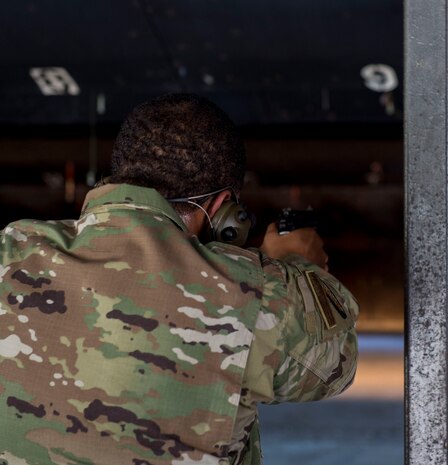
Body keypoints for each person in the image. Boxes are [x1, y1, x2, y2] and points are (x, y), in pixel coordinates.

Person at [0, 94, 359, 465]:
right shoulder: (254, 292)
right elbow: (334, 365)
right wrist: (298, 268)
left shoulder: (10, 250)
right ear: (223, 211)